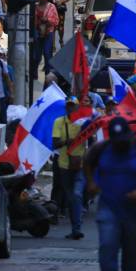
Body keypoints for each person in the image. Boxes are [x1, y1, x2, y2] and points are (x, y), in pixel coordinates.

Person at [85, 117, 136, 271]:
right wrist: (91, 182)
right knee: (107, 246)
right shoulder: (101, 148)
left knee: (132, 251)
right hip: (108, 206)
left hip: (134, 209)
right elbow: (87, 161)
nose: (120, 144)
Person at [52, 97, 86, 240]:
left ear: (78, 108)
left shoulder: (84, 123)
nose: (71, 108)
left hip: (80, 165)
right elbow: (55, 143)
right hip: (64, 165)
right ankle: (75, 228)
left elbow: (93, 139)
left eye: (73, 106)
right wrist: (68, 141)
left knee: (77, 195)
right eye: (69, 106)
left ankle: (77, 228)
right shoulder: (59, 122)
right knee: (71, 198)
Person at [33, 0, 59, 74]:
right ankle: (34, 74)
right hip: (37, 33)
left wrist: (47, 20)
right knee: (36, 56)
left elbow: (56, 21)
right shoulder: (35, 7)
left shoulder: (51, 7)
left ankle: (48, 74)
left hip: (48, 33)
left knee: (47, 53)